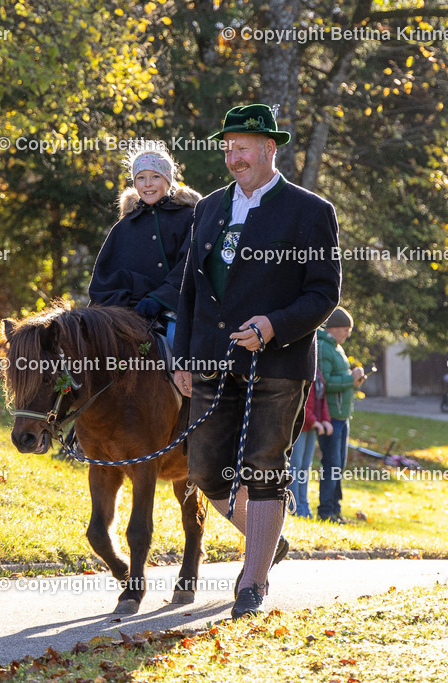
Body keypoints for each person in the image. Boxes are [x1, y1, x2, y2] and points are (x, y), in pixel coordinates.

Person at [172, 103, 341, 620]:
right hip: (211, 362)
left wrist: (272, 326)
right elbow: (190, 289)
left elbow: (323, 294)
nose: (233, 156)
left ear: (269, 148)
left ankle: (253, 581)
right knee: (203, 468)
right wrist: (181, 356)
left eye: (242, 147)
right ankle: (268, 540)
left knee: (265, 467)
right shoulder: (209, 209)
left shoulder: (310, 211)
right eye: (227, 148)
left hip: (279, 364)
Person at [87, 148, 200, 343]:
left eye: (155, 176)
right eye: (141, 178)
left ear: (168, 180)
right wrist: (125, 307)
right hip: (127, 315)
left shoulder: (188, 217)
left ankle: (197, 374)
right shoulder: (124, 227)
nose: (148, 184)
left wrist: (159, 299)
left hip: (176, 310)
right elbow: (103, 282)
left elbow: (190, 265)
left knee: (178, 341)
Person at [316, 307, 366, 523]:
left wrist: (354, 380)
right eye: (345, 329)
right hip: (331, 416)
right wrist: (350, 380)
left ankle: (335, 508)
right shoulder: (324, 348)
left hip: (342, 415)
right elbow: (323, 383)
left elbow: (340, 379)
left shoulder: (336, 348)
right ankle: (326, 510)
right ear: (334, 328)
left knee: (339, 465)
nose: (348, 334)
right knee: (331, 464)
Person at [286, 367, 331, 518]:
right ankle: (294, 507)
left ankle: (304, 507)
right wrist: (314, 421)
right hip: (301, 426)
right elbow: (301, 402)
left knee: (305, 467)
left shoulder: (318, 373)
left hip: (312, 427)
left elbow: (321, 400)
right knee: (295, 465)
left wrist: (325, 420)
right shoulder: (304, 370)